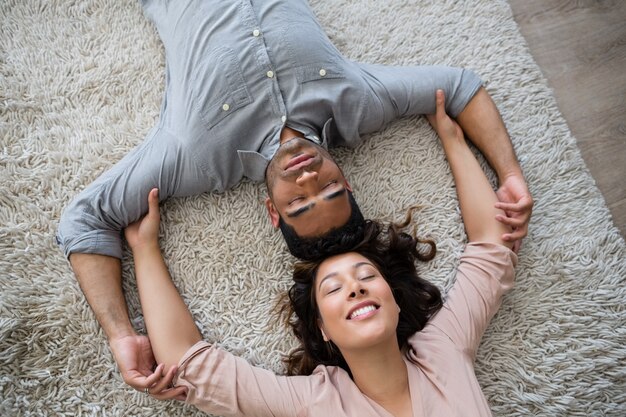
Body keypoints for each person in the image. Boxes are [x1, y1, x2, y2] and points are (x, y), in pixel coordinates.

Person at [57, 0, 532, 397]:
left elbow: (86, 221)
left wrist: (122, 332)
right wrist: (507, 173)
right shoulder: (358, 102)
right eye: (328, 188)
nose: (307, 179)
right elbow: (460, 87)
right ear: (347, 181)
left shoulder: (193, 158)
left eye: (298, 204)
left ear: (271, 211)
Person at [124, 90, 518, 415]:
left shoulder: (442, 351)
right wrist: (144, 248)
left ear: (395, 302)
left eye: (366, 278)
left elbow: (491, 252)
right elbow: (491, 246)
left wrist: (453, 139)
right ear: (324, 331)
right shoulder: (316, 399)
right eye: (334, 289)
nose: (355, 289)